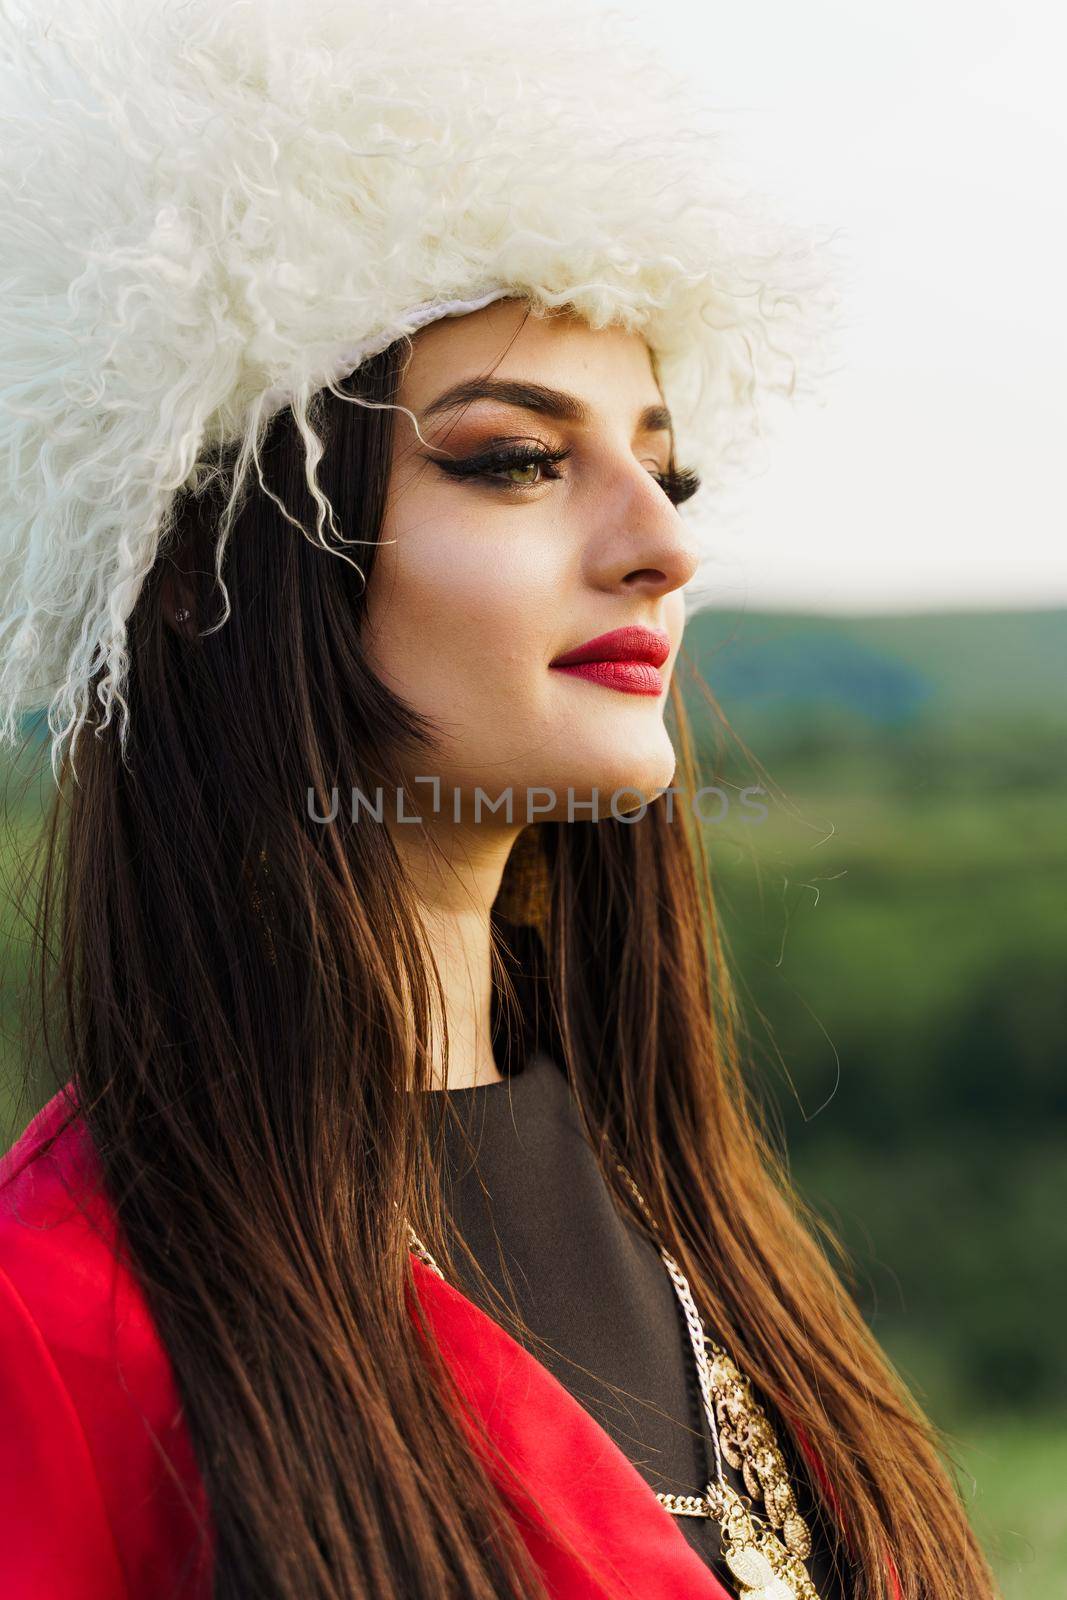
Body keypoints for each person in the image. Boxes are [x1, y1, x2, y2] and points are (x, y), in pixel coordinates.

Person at [0, 2, 998, 1598]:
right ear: (203, 565)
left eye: (663, 469)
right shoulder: (56, 1325)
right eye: (519, 460)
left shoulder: (697, 1212)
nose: (662, 545)